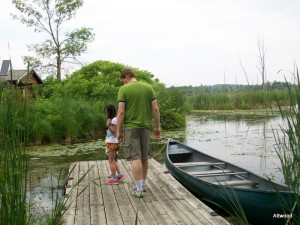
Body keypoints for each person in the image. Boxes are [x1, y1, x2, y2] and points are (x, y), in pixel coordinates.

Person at [117, 68, 161, 198]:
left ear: (127, 77)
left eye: (123, 81)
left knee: (135, 158)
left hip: (131, 128)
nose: (123, 84)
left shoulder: (123, 90)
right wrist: (157, 127)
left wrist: (119, 131)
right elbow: (155, 109)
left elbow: (120, 112)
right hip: (146, 127)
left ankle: (138, 189)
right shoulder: (148, 88)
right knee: (144, 157)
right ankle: (143, 184)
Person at [104, 104, 124, 185]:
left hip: (112, 142)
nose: (106, 114)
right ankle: (119, 174)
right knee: (114, 160)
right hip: (114, 142)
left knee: (111, 161)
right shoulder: (115, 119)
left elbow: (114, 131)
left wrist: (108, 125)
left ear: (110, 112)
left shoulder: (114, 120)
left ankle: (114, 178)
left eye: (106, 112)